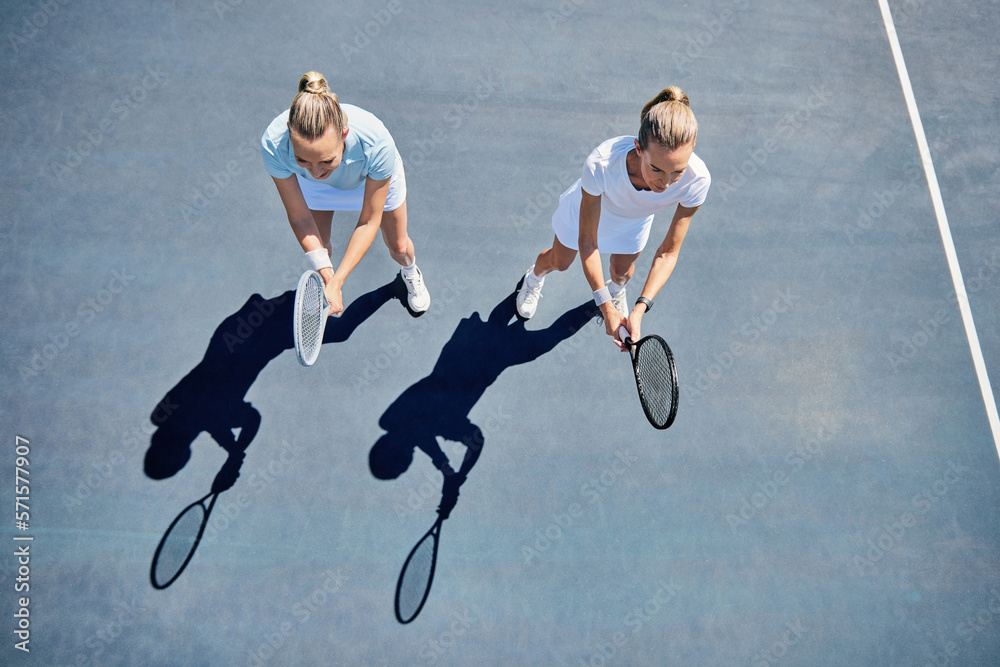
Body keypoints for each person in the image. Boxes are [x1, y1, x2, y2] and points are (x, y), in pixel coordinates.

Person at [515, 87, 710, 348]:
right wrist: (605, 307)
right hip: (586, 214)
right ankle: (534, 277)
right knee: (559, 262)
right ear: (639, 148)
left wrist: (641, 307)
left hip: (633, 222)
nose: (665, 183)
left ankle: (617, 292)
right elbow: (588, 242)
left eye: (677, 171)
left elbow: (668, 253)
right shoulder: (601, 164)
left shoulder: (697, 181)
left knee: (622, 273)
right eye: (656, 169)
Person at [261, 71, 430, 315]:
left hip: (371, 177)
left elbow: (369, 220)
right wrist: (329, 276)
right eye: (302, 160)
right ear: (289, 133)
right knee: (322, 248)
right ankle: (324, 284)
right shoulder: (273, 146)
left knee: (400, 248)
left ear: (344, 135)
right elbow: (299, 217)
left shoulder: (377, 144)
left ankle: (410, 271)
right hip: (318, 191)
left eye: (326, 160)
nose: (317, 171)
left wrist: (339, 282)